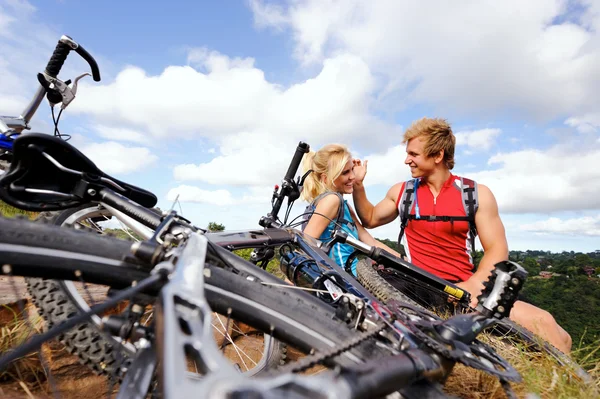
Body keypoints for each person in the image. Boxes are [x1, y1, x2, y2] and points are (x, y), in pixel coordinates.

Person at [351, 117, 572, 354]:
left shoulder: (475, 195)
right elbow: (371, 218)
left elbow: (497, 249)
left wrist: (475, 284)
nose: (407, 160)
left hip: (465, 290)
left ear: (438, 155)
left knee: (556, 331)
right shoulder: (403, 192)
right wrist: (358, 186)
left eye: (413, 154)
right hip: (419, 286)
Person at [301, 144, 401, 275]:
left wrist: (407, 262)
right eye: (345, 172)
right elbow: (306, 245)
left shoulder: (343, 205)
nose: (352, 176)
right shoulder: (332, 200)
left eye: (352, 170)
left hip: (354, 280)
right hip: (343, 283)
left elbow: (371, 242)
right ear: (325, 178)